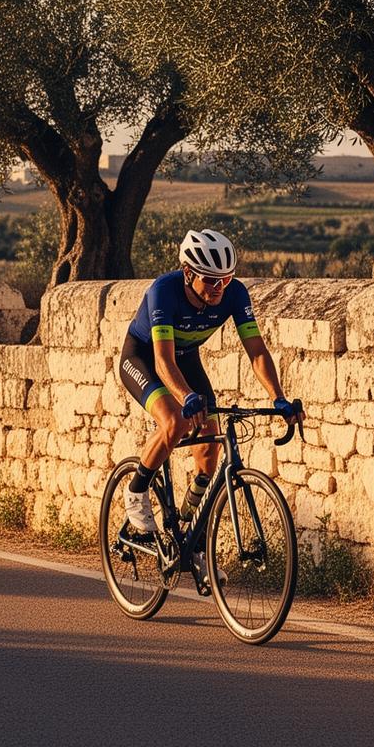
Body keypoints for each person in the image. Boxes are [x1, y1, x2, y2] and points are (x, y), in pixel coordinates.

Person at [114, 228, 303, 535]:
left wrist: (278, 397)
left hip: (186, 359)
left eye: (226, 279)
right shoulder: (163, 291)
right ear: (188, 273)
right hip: (144, 359)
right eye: (211, 279)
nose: (219, 288)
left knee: (208, 458)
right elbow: (163, 362)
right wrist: (186, 396)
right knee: (174, 421)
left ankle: (188, 529)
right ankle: (136, 491)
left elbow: (256, 352)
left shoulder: (235, 294)